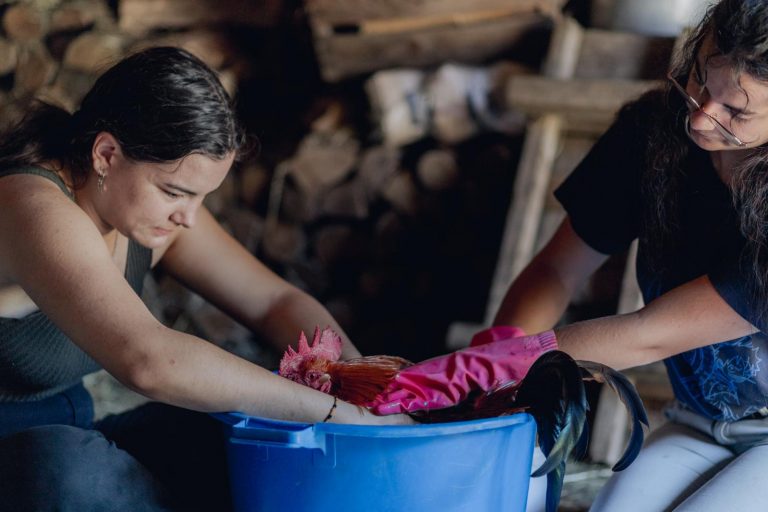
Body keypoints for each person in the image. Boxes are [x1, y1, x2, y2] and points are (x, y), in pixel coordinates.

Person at [370, 0, 768, 510]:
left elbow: (649, 335)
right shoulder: (654, 133)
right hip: (702, 419)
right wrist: (501, 360)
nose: (701, 115)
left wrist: (482, 368)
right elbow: (558, 270)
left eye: (736, 112)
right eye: (698, 81)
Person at [0, 46, 411, 512]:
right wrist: (338, 415)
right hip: (30, 460)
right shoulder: (31, 205)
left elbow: (274, 303)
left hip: (72, 433)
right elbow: (148, 360)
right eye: (175, 192)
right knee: (64, 466)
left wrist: (360, 384)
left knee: (225, 432)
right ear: (107, 154)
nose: (189, 218)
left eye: (201, 198)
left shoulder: (146, 213)